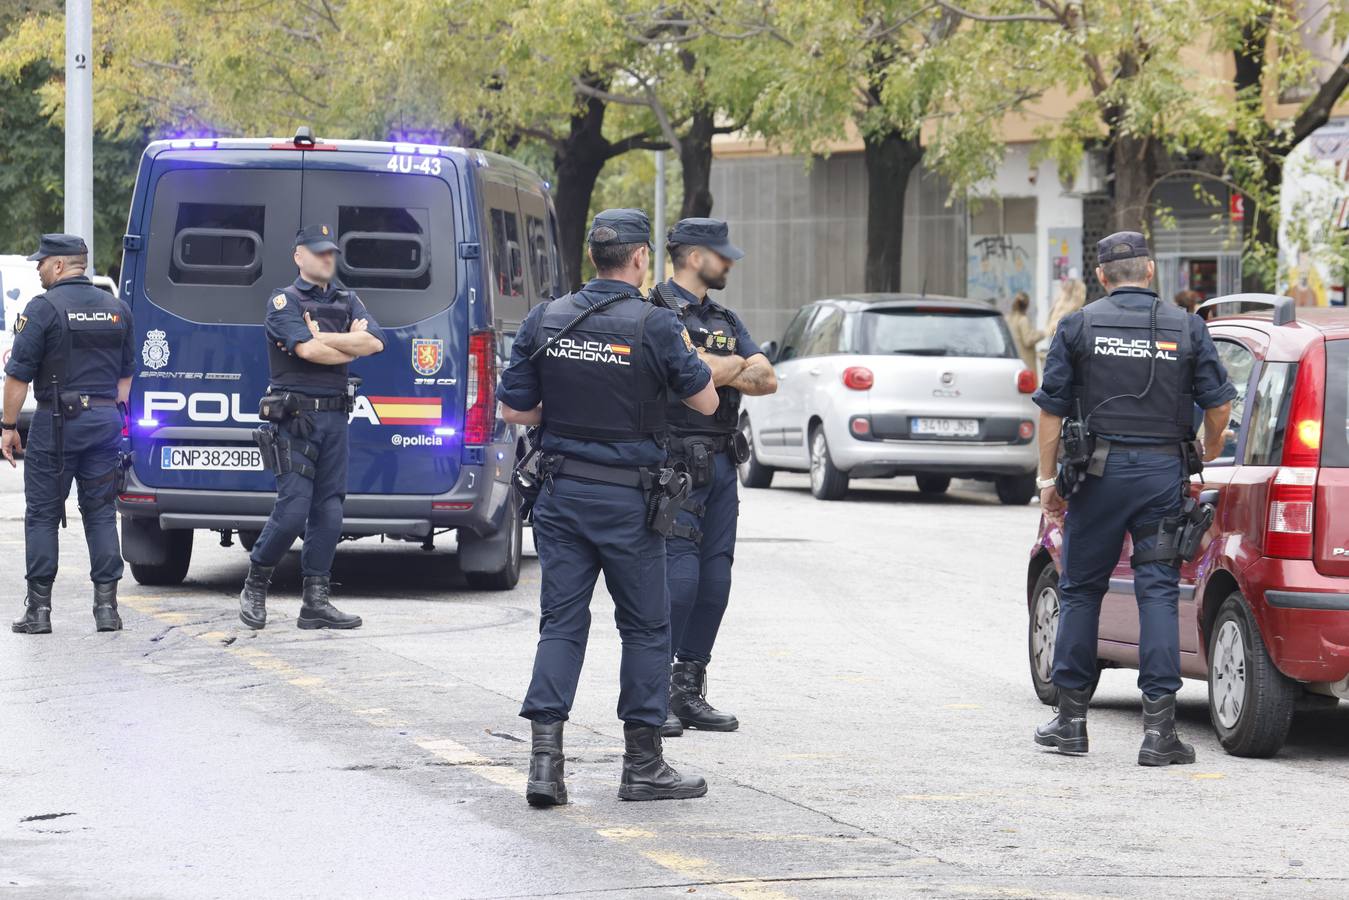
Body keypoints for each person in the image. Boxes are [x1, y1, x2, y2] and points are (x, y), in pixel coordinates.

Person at [498, 208, 719, 806]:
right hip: (629, 501)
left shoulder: (547, 319)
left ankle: (545, 768)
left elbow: (516, 410)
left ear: (594, 257)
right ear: (642, 257)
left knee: (561, 625)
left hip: (561, 496)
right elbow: (704, 400)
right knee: (647, 628)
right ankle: (642, 766)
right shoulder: (656, 325)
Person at [1031, 231, 1235, 766]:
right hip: (1162, 476)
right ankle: (1159, 733)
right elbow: (1219, 407)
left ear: (1101, 277)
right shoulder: (1188, 328)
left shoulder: (1077, 326)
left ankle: (1071, 724)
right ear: (1149, 273)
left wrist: (1047, 482)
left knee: (1079, 592)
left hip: (1095, 478)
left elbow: (1050, 409)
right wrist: (1207, 448)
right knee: (1158, 593)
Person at [650, 218, 777, 737]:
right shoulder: (654, 311)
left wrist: (707, 363)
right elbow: (682, 375)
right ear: (695, 255)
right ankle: (651, 691)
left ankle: (687, 689)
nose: (728, 262)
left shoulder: (723, 315)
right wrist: (727, 365)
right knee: (678, 581)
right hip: (675, 462)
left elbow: (766, 377)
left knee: (715, 582)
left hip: (724, 459)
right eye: (721, 254)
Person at [238, 224, 386, 630]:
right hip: (297, 421)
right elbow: (307, 350)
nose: (327, 259)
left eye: (331, 253)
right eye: (318, 252)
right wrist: (341, 341)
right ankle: (255, 584)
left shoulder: (347, 298)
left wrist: (327, 337)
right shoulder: (282, 301)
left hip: (336, 418)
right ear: (298, 256)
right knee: (292, 511)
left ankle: (315, 602)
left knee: (330, 513)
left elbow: (375, 343)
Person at [3, 234, 134, 634]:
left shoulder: (42, 309)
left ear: (60, 265)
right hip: (105, 422)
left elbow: (17, 378)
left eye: (43, 263)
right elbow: (127, 375)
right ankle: (107, 610)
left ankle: (39, 612)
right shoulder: (117, 309)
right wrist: (113, 414)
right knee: (99, 513)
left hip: (57, 426)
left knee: (42, 514)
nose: (39, 270)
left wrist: (8, 427)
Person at [1006, 290, 1042, 374]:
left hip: (1013, 360)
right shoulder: (1023, 320)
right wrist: (1041, 334)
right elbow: (1028, 341)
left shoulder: (1008, 318)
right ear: (1027, 305)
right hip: (1025, 362)